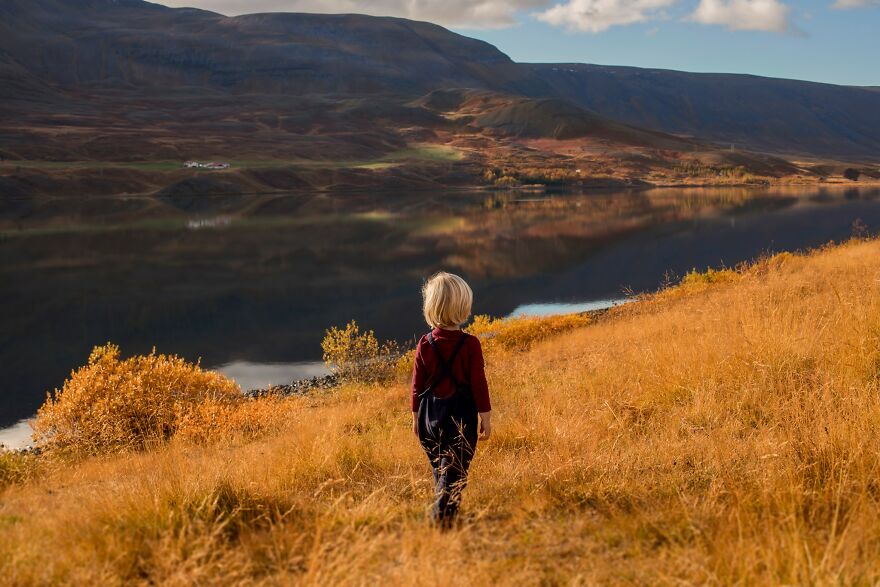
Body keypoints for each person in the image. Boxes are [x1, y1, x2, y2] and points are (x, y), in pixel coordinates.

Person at [411, 272, 491, 527]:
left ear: (431, 306)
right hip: (459, 417)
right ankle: (442, 522)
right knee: (455, 475)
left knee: (441, 470)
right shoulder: (470, 345)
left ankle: (446, 515)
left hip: (429, 417)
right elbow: (479, 384)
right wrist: (485, 418)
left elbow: (416, 386)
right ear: (463, 306)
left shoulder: (425, 343)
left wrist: (415, 419)